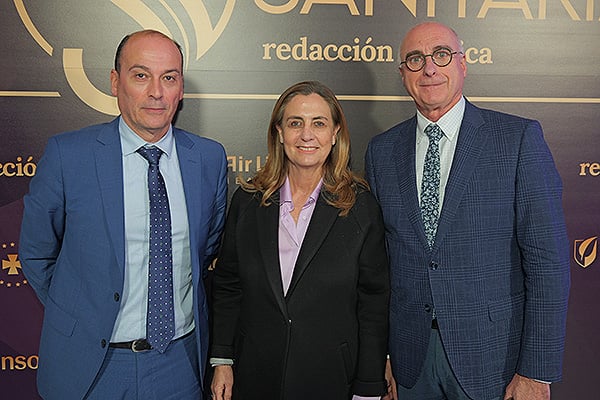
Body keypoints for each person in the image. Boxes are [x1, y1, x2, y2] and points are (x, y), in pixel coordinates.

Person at [365, 22, 570, 400]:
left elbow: (548, 263)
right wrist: (384, 354)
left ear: (463, 63)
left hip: (495, 361)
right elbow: (380, 267)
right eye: (415, 59)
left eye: (441, 55)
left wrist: (536, 372)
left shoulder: (517, 140)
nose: (429, 68)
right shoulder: (381, 152)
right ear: (402, 73)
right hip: (410, 362)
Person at [19, 30, 228, 400]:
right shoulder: (69, 155)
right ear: (115, 82)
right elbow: (37, 252)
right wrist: (81, 312)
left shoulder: (209, 159)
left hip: (179, 363)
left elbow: (206, 249)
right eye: (141, 75)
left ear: (180, 89)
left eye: (169, 77)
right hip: (92, 366)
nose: (156, 92)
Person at [209, 80, 390, 400]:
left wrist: (368, 386)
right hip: (255, 376)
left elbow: (373, 304)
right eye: (296, 123)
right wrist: (222, 359)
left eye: (318, 123)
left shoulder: (360, 206)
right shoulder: (248, 202)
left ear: (335, 134)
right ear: (279, 132)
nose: (307, 135)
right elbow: (228, 284)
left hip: (331, 379)